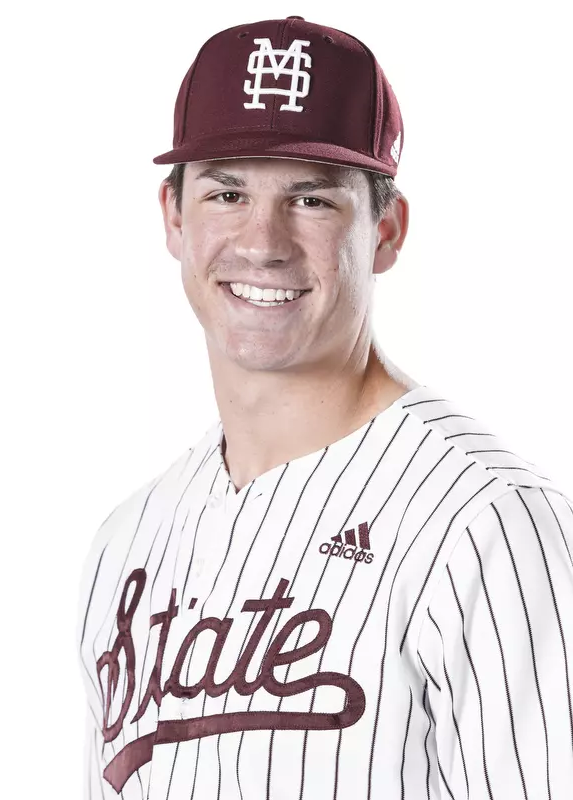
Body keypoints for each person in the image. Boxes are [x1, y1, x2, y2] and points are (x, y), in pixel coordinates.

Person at [77, 15, 573, 800]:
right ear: (174, 217)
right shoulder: (128, 540)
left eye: (311, 199)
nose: (262, 242)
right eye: (227, 192)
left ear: (386, 230)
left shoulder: (486, 522)